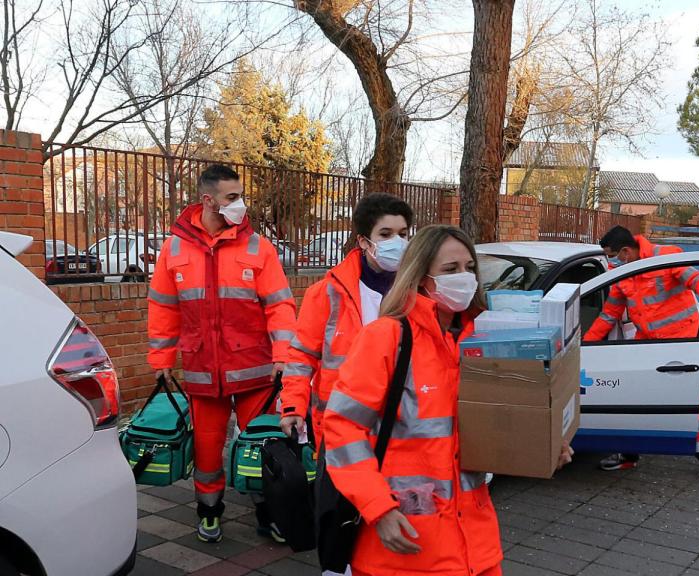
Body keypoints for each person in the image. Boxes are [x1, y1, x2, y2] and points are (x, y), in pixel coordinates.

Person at [320, 225, 573, 576]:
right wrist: (377, 508)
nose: (465, 278)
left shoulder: (482, 343)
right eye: (450, 270)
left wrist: (544, 447)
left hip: (475, 542)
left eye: (470, 268)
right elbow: (343, 427)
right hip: (405, 543)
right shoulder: (387, 337)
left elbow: (496, 425)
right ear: (421, 276)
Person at [147, 164, 297, 543]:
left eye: (241, 196)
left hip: (256, 372)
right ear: (207, 200)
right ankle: (209, 511)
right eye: (232, 198)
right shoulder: (175, 248)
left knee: (264, 446)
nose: (240, 205)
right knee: (208, 450)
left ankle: (270, 512)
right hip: (202, 373)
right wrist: (162, 360)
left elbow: (280, 306)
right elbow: (164, 308)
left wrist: (284, 354)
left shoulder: (257, 247)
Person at [585, 225, 699, 480]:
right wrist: (584, 345)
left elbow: (694, 279)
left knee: (689, 402)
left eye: (612, 255)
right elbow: (608, 314)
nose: (611, 261)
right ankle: (629, 455)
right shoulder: (623, 273)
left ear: (625, 251)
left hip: (680, 342)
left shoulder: (666, 256)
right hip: (646, 344)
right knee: (632, 398)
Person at [278, 193, 413, 447]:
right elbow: (301, 356)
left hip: (402, 426)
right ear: (363, 241)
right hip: (340, 425)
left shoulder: (419, 294)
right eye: (385, 235)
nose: (397, 242)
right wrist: (293, 406)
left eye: (403, 234)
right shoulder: (327, 293)